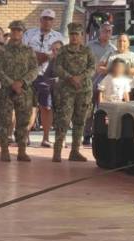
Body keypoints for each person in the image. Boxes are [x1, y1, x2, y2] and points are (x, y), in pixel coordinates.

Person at [0, 20, 39, 162]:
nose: (16, 33)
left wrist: (22, 82)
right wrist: (11, 83)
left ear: (23, 32)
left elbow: (34, 69)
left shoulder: (28, 51)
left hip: (24, 91)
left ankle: (22, 151)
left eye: (19, 30)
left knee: (23, 122)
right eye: (13, 30)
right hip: (7, 91)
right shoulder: (2, 50)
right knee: (5, 121)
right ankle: (4, 150)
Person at [52, 22, 94, 163]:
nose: (74, 37)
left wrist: (80, 77)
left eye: (77, 34)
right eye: (72, 34)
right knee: (63, 120)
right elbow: (57, 67)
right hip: (66, 91)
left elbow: (92, 68)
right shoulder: (62, 51)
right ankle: (57, 151)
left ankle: (75, 151)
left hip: (84, 90)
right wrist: (70, 77)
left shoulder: (87, 51)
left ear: (81, 35)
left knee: (80, 121)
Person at [24, 9, 64, 148]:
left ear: (53, 21)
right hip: (29, 75)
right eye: (45, 18)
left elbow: (60, 56)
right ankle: (25, 136)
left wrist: (42, 56)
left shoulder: (59, 36)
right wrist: (46, 55)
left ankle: (46, 138)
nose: (47, 21)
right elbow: (25, 52)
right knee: (29, 107)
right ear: (40, 19)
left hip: (47, 76)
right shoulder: (29, 34)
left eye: (50, 19)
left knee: (46, 107)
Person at [84, 23, 116, 146]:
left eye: (110, 31)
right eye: (105, 31)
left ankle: (101, 135)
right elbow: (83, 62)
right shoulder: (90, 46)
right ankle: (86, 135)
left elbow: (115, 67)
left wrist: (107, 70)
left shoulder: (113, 49)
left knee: (103, 111)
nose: (107, 33)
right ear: (100, 32)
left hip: (106, 85)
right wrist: (94, 67)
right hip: (91, 83)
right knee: (88, 111)